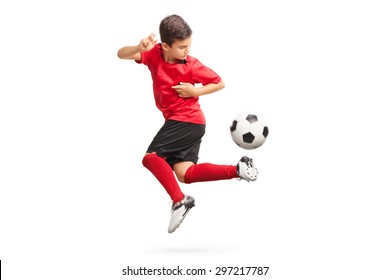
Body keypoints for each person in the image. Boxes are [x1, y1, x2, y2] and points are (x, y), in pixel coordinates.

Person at [117, 14, 258, 233]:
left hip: (187, 119)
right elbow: (121, 55)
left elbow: (219, 82)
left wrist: (196, 90)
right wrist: (138, 46)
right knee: (185, 174)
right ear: (165, 46)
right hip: (188, 123)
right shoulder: (154, 55)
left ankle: (180, 201)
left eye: (189, 45)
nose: (187, 51)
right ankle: (237, 170)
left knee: (151, 158)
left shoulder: (190, 65)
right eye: (182, 47)